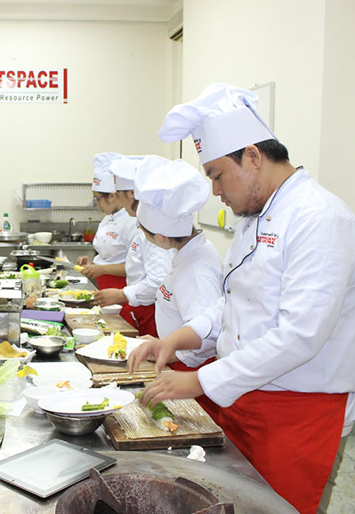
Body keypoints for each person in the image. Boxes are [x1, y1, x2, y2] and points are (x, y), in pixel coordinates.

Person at [128, 83, 355, 514]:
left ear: (252, 156)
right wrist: (178, 338)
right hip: (245, 397)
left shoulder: (320, 217)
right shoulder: (254, 218)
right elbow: (232, 303)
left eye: (217, 175)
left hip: (298, 412)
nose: (215, 191)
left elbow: (300, 335)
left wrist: (199, 380)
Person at [131, 155, 223, 420]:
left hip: (191, 378)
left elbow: (206, 340)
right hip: (178, 364)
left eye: (146, 234)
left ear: (161, 237)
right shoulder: (187, 253)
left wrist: (172, 352)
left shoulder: (197, 269)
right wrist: (164, 344)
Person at [93, 155, 173, 336]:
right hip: (139, 306)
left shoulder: (156, 229)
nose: (119, 202)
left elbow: (157, 281)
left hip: (152, 310)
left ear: (130, 194)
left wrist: (122, 294)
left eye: (118, 195)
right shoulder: (140, 223)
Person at [77, 152, 136, 290]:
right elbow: (109, 259)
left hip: (123, 290)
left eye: (98, 199)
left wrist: (102, 269)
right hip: (106, 288)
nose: (97, 204)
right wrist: (92, 265)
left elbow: (137, 267)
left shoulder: (132, 221)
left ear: (112, 196)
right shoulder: (107, 219)